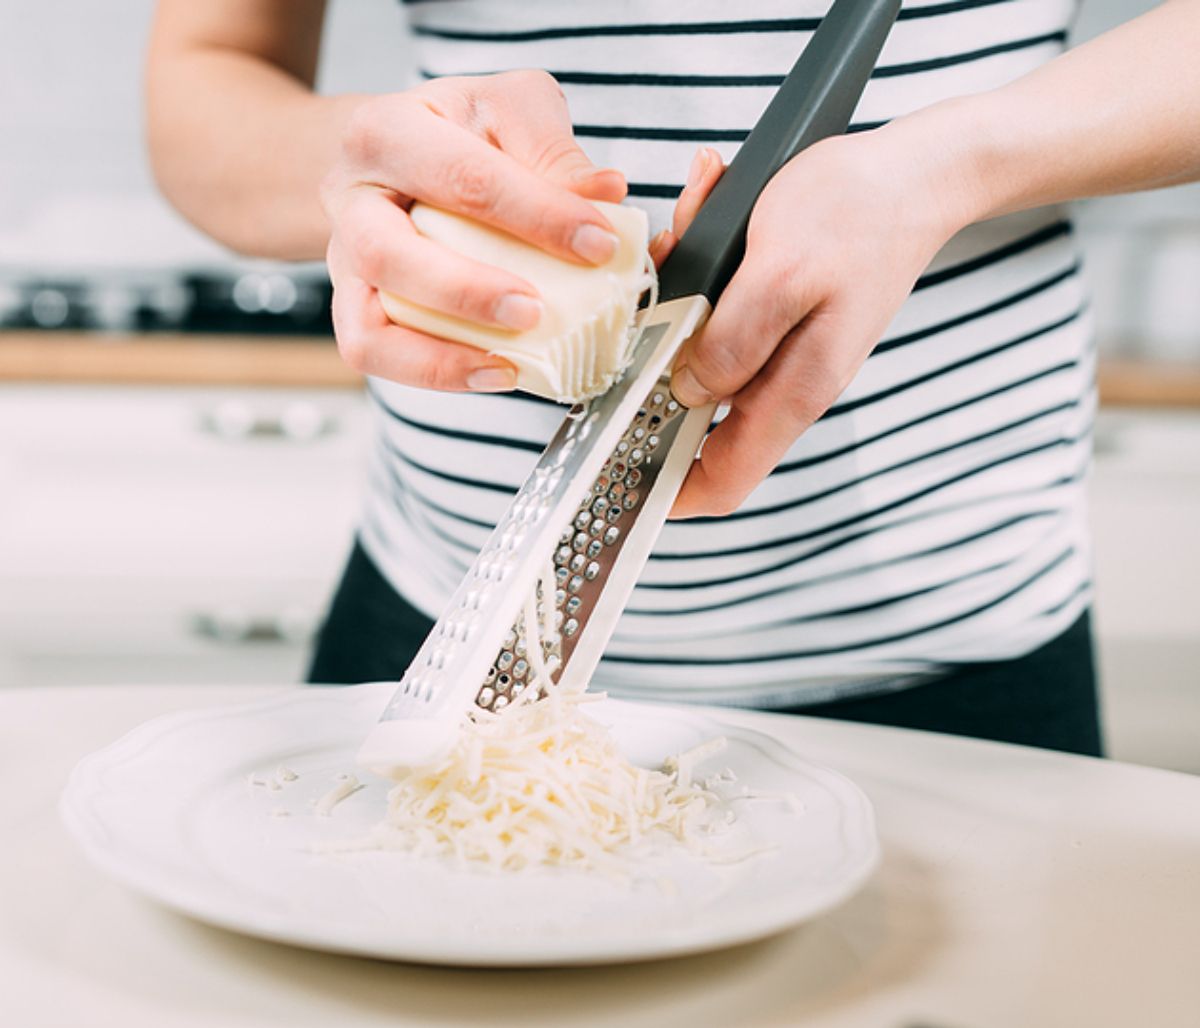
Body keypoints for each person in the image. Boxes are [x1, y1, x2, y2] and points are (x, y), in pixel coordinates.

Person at [146, 1, 1200, 756]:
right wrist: (356, 159)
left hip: (956, 640)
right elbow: (206, 69)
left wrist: (951, 161)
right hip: (451, 615)